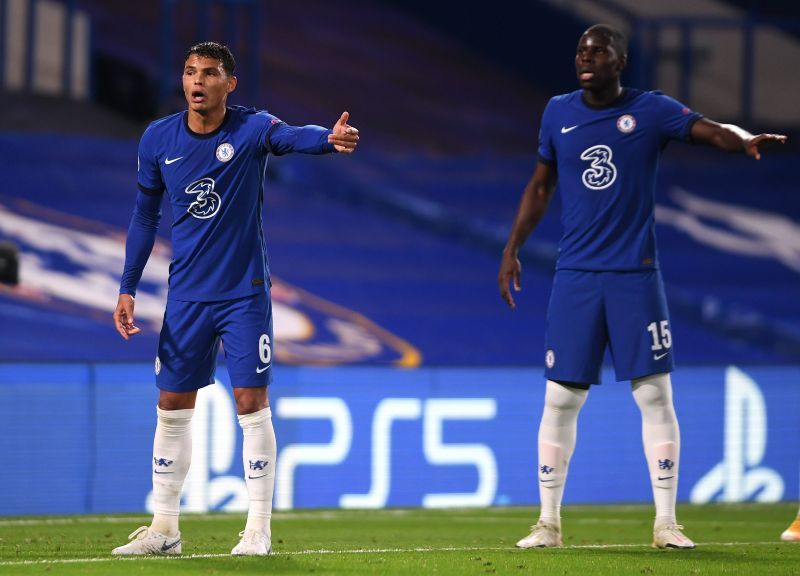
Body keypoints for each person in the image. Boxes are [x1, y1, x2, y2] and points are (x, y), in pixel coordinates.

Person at [498, 24, 786, 549]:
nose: (586, 58)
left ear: (620, 60)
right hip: (577, 277)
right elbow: (541, 185)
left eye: (598, 51)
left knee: (655, 395)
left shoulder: (650, 110)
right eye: (581, 51)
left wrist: (741, 140)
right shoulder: (557, 112)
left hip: (635, 275)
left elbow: (706, 129)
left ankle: (666, 523)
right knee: (560, 399)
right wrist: (512, 246)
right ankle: (547, 524)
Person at [111, 41, 359, 556]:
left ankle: (258, 529)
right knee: (171, 405)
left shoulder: (251, 128)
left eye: (209, 72)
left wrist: (328, 139)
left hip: (243, 295)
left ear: (230, 84)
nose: (196, 81)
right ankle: (164, 529)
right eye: (188, 72)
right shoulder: (158, 139)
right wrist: (128, 287)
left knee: (251, 403)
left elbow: (291, 137)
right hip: (186, 297)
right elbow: (143, 218)